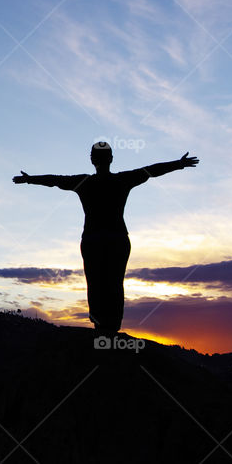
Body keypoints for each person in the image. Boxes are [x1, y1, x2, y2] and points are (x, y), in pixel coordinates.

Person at [13, 142, 198, 332]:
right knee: (113, 283)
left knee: (96, 283)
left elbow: (55, 180)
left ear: (92, 160)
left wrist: (30, 179)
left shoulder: (85, 182)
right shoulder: (121, 180)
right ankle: (109, 326)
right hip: (114, 239)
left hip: (97, 240)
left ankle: (102, 324)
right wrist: (179, 163)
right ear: (110, 159)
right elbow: (150, 170)